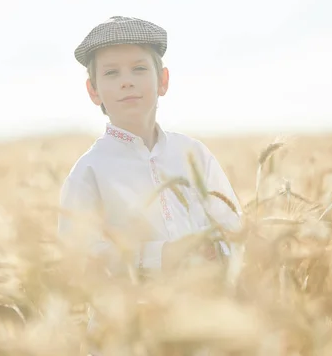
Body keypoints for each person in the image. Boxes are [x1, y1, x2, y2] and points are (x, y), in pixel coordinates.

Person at [57, 16, 242, 278]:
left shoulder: (194, 154)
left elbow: (232, 226)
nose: (127, 81)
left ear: (163, 80)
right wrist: (163, 255)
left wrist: (218, 250)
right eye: (111, 73)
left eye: (139, 69)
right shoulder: (88, 171)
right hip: (126, 316)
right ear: (93, 91)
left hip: (202, 310)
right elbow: (78, 258)